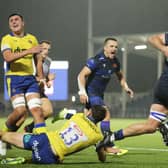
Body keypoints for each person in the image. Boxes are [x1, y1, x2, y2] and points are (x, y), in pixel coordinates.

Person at [96, 32, 168, 148]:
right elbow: (152, 38)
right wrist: (164, 49)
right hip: (166, 87)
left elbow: (152, 38)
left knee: (150, 126)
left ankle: (111, 137)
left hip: (162, 88)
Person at [77, 37, 134, 154]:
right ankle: (108, 146)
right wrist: (82, 92)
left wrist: (126, 87)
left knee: (87, 121)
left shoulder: (114, 62)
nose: (114, 49)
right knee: (105, 113)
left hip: (99, 95)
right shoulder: (96, 60)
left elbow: (120, 76)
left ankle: (66, 115)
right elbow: (81, 75)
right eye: (111, 46)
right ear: (105, 48)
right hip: (91, 94)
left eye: (116, 47)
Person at [0, 13, 46, 151]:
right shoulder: (7, 39)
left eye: (16, 20)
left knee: (37, 110)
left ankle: (42, 145)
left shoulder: (32, 38)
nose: (14, 22)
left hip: (30, 79)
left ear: (23, 22)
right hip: (14, 78)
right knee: (20, 111)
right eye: (11, 21)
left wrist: (41, 77)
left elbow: (38, 61)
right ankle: (2, 135)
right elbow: (8, 58)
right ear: (9, 25)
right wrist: (29, 51)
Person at [0, 105, 107, 164]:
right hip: (49, 157)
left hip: (41, 140)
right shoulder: (98, 137)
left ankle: (26, 145)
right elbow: (102, 158)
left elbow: (64, 114)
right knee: (51, 160)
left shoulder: (79, 116)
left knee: (3, 135)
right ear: (100, 120)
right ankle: (25, 160)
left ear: (90, 113)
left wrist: (59, 117)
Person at [24, 40, 55, 133]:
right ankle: (6, 136)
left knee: (48, 111)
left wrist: (49, 81)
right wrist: (47, 78)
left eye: (48, 49)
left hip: (40, 91)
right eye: (44, 48)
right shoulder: (32, 59)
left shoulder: (48, 61)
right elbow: (29, 76)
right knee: (21, 115)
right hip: (29, 89)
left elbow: (45, 75)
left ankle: (29, 127)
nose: (46, 51)